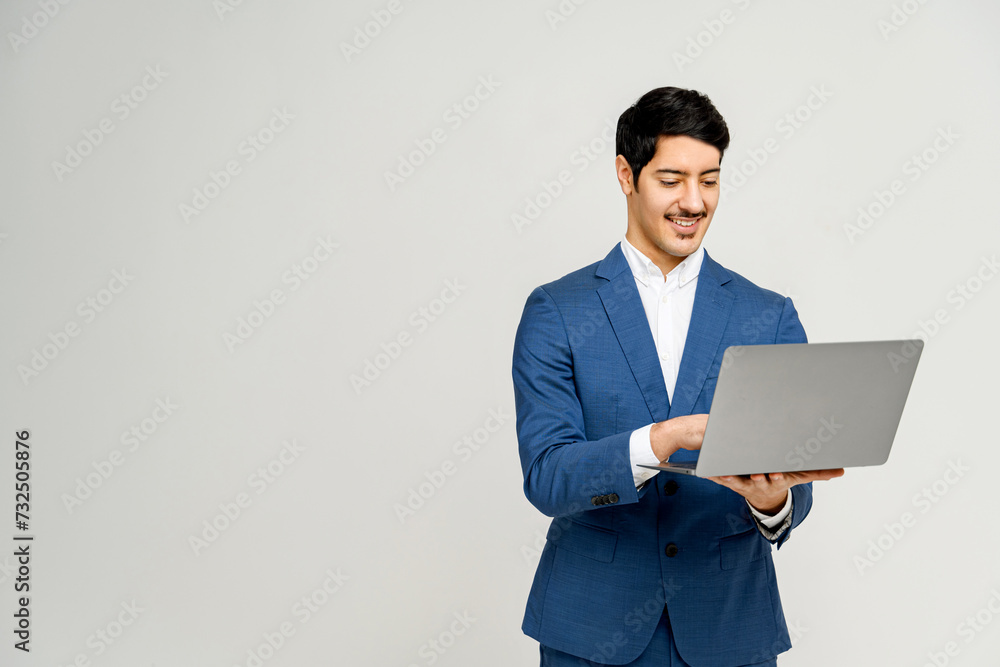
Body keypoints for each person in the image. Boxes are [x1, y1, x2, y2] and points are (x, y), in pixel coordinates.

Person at [511, 86, 844, 666]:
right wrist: (662, 441)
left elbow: (797, 481)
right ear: (625, 174)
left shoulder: (769, 315)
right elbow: (547, 477)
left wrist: (773, 504)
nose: (694, 201)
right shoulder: (558, 311)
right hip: (591, 632)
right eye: (672, 180)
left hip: (729, 631)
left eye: (709, 180)